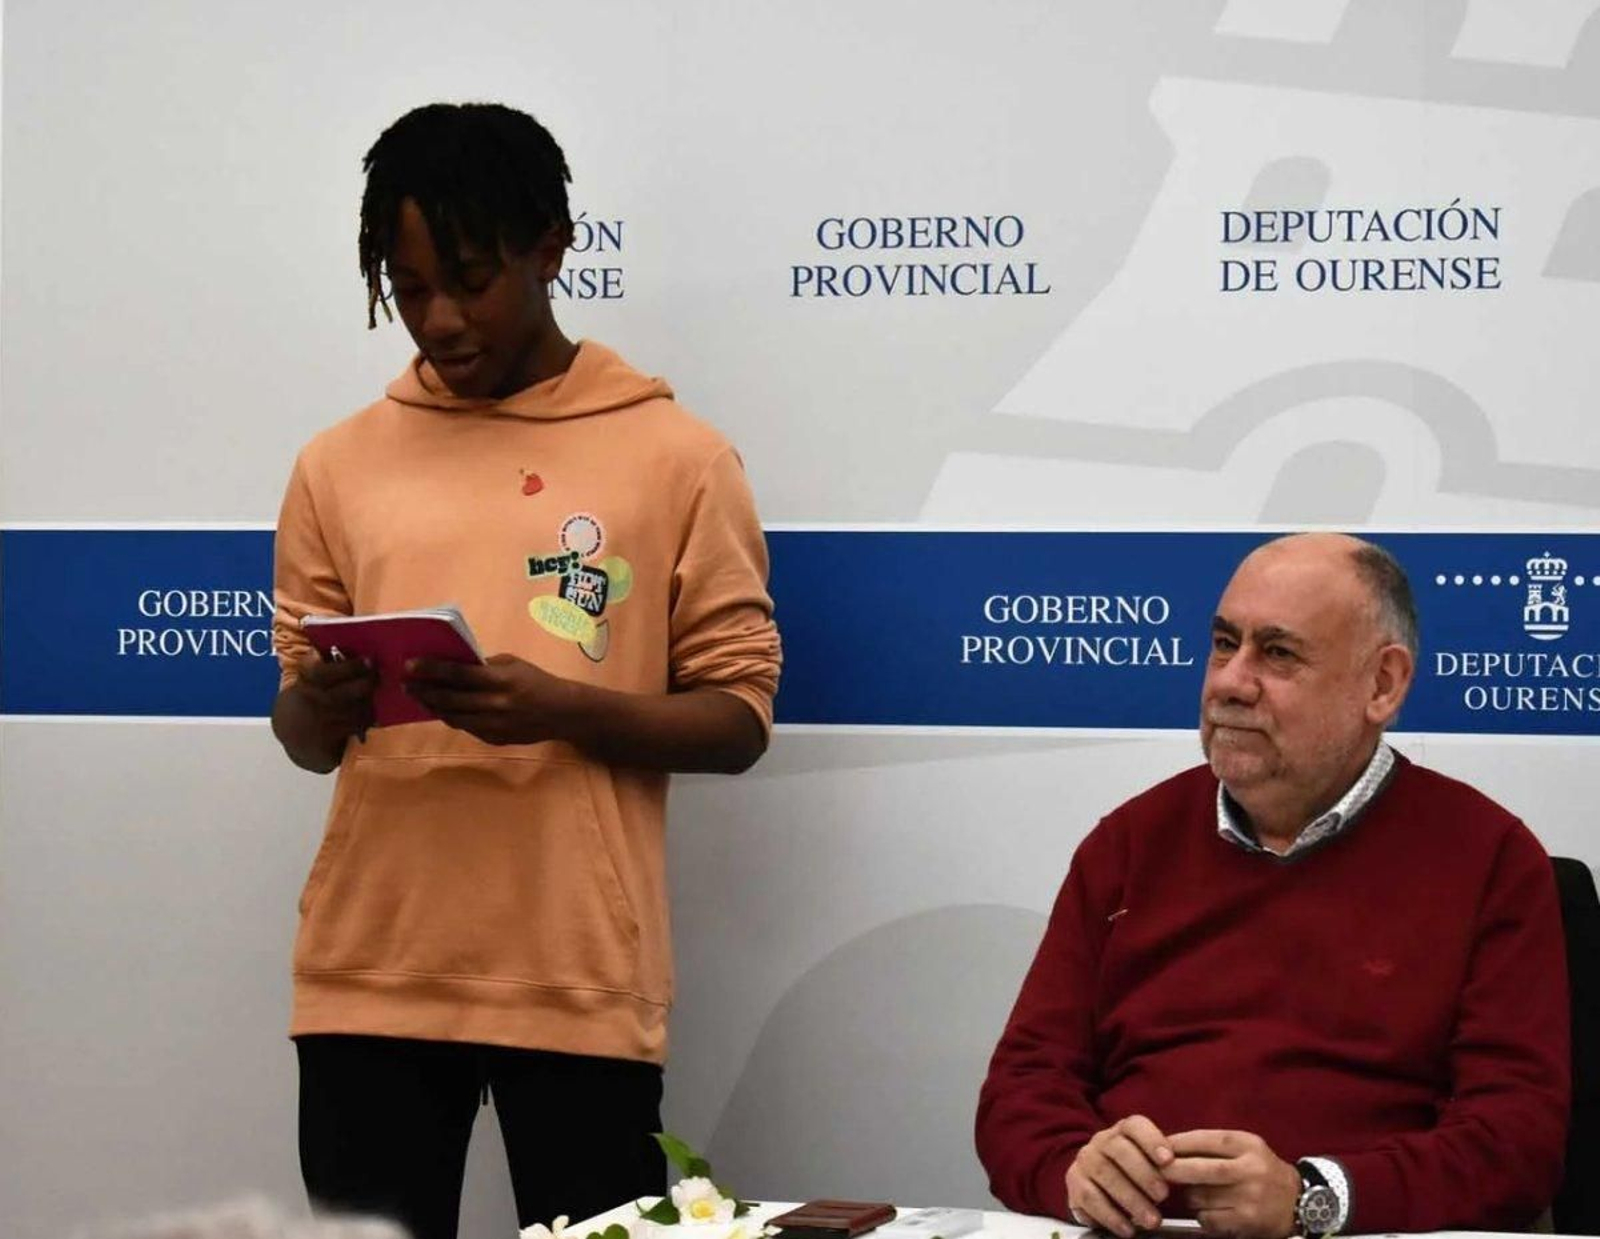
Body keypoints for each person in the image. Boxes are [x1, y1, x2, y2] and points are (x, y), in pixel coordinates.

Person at [270, 102, 781, 1239]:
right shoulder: (335, 464)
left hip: (578, 981)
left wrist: (563, 712)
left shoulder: (675, 454)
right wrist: (323, 702)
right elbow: (300, 734)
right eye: (407, 287)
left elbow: (740, 715)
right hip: (369, 972)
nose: (439, 319)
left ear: (552, 247)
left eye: (471, 278)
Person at [975, 533, 1568, 1239]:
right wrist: (1073, 1167)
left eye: (1278, 653)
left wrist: (1311, 1197)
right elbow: (1020, 1091)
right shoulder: (1130, 842)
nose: (1230, 680)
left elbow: (1516, 1140)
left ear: (1382, 684)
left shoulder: (1488, 856)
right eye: (1225, 643)